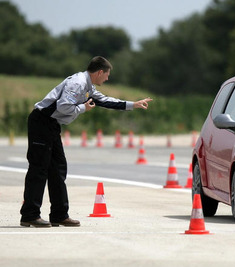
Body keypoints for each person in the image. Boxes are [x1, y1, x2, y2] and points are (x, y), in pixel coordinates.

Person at [20, 56, 153, 227]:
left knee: (58, 169)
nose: (107, 78)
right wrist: (83, 108)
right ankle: (30, 215)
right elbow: (63, 106)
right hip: (41, 122)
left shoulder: (88, 87)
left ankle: (59, 215)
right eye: (107, 74)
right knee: (39, 169)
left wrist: (133, 104)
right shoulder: (78, 83)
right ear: (99, 72)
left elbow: (105, 101)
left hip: (52, 125)